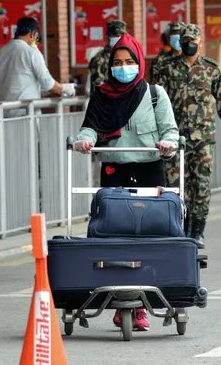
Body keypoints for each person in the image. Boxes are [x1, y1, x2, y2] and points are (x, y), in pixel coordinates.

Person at [74, 33, 179, 332]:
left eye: (130, 61)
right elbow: (90, 127)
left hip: (149, 170)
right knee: (114, 238)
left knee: (150, 239)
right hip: (115, 171)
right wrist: (85, 140)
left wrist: (168, 143)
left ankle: (144, 305)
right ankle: (116, 302)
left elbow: (170, 129)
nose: (124, 67)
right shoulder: (102, 95)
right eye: (118, 62)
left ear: (140, 62)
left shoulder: (155, 94)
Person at [155, 24, 221, 247]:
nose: (189, 44)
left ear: (200, 42)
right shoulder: (166, 68)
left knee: (201, 183)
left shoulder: (210, 69)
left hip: (203, 137)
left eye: (193, 41)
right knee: (175, 183)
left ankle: (197, 229)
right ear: (180, 42)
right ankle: (178, 226)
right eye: (185, 41)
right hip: (174, 136)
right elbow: (156, 102)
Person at [0, 17, 75, 104]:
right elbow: (47, 83)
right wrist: (66, 89)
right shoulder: (32, 53)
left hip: (4, 111)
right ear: (33, 34)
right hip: (27, 111)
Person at [88, 20, 127, 94]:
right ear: (108, 37)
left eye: (121, 36)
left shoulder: (127, 56)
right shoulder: (100, 59)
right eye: (115, 36)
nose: (119, 38)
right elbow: (98, 88)